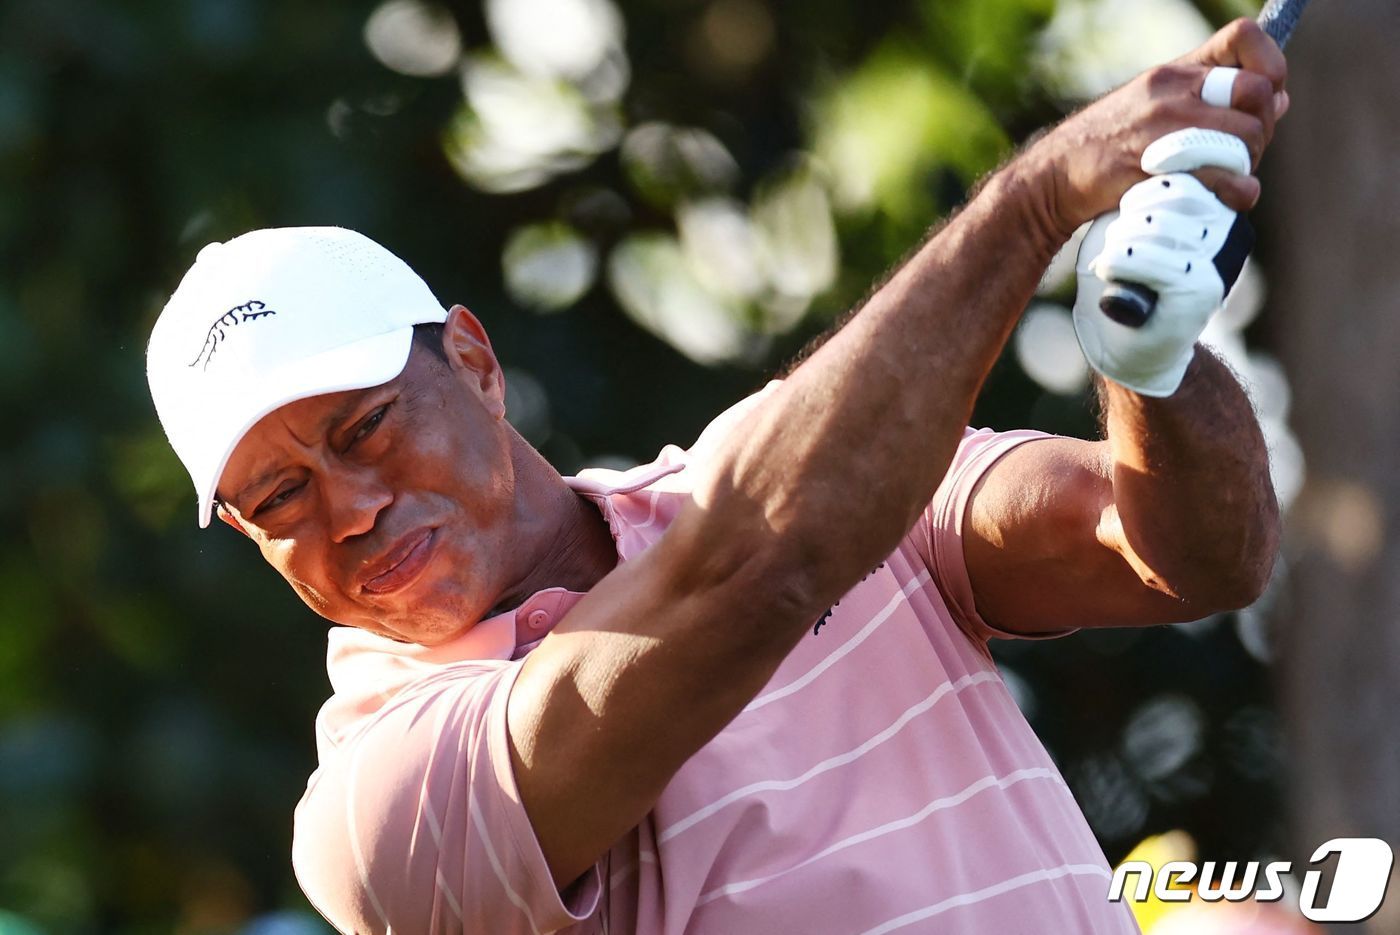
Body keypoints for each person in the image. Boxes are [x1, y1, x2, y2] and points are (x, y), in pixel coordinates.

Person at [145, 19, 1286, 935]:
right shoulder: (377, 798)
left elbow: (1189, 554)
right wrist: (1034, 202)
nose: (346, 509)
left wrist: (1152, 354)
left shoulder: (820, 475)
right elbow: (755, 575)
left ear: (476, 363)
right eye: (278, 497)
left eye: (365, 429)